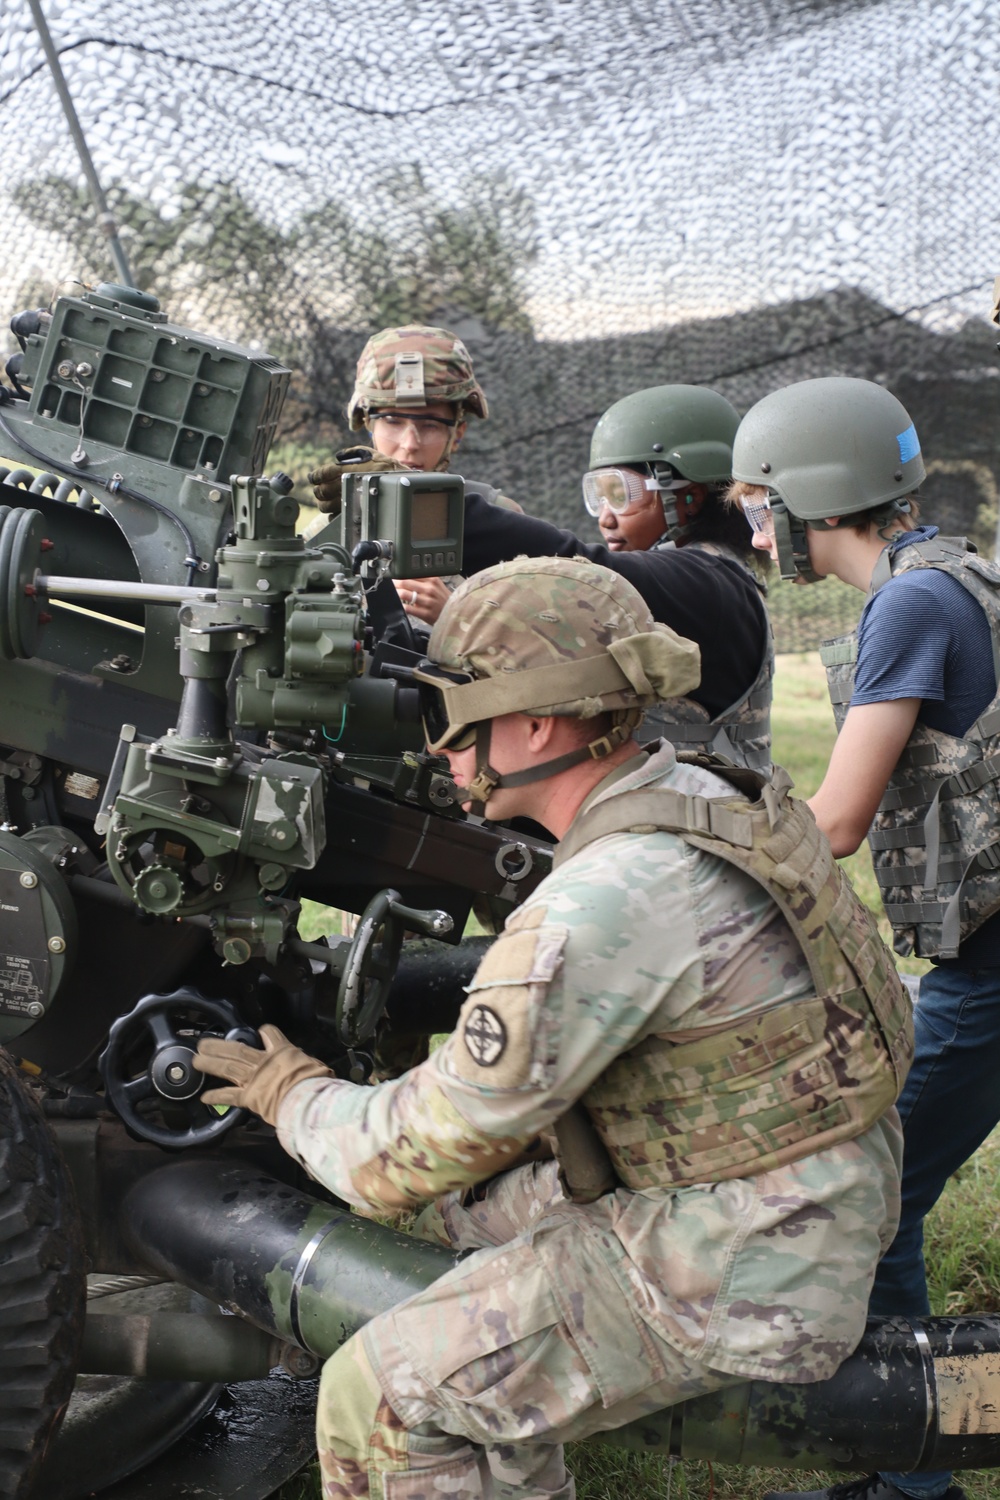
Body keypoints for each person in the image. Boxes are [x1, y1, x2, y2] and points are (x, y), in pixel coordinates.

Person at [194, 554, 910, 1500]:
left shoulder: (608, 898)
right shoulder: (702, 792)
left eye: (451, 714)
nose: (440, 747)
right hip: (796, 1181)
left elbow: (395, 1159)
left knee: (382, 1391)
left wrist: (292, 1094)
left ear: (539, 722)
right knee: (457, 1226)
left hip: (748, 1255)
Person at [730, 374, 1000, 1500]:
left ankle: (902, 1473)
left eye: (758, 503)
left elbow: (831, 821)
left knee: (871, 1190)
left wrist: (687, 839)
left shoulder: (907, 606)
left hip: (994, 969)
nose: (752, 528)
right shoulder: (962, 567)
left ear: (810, 501)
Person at [389, 383, 775, 770]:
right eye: (598, 495)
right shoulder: (708, 580)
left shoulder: (710, 584)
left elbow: (578, 566)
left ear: (689, 497)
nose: (606, 517)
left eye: (620, 494)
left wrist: (416, 499)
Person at [307, 321, 520, 526]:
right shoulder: (332, 527)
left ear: (456, 435)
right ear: (369, 426)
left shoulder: (496, 519)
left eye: (430, 424)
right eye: (392, 422)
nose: (410, 444)